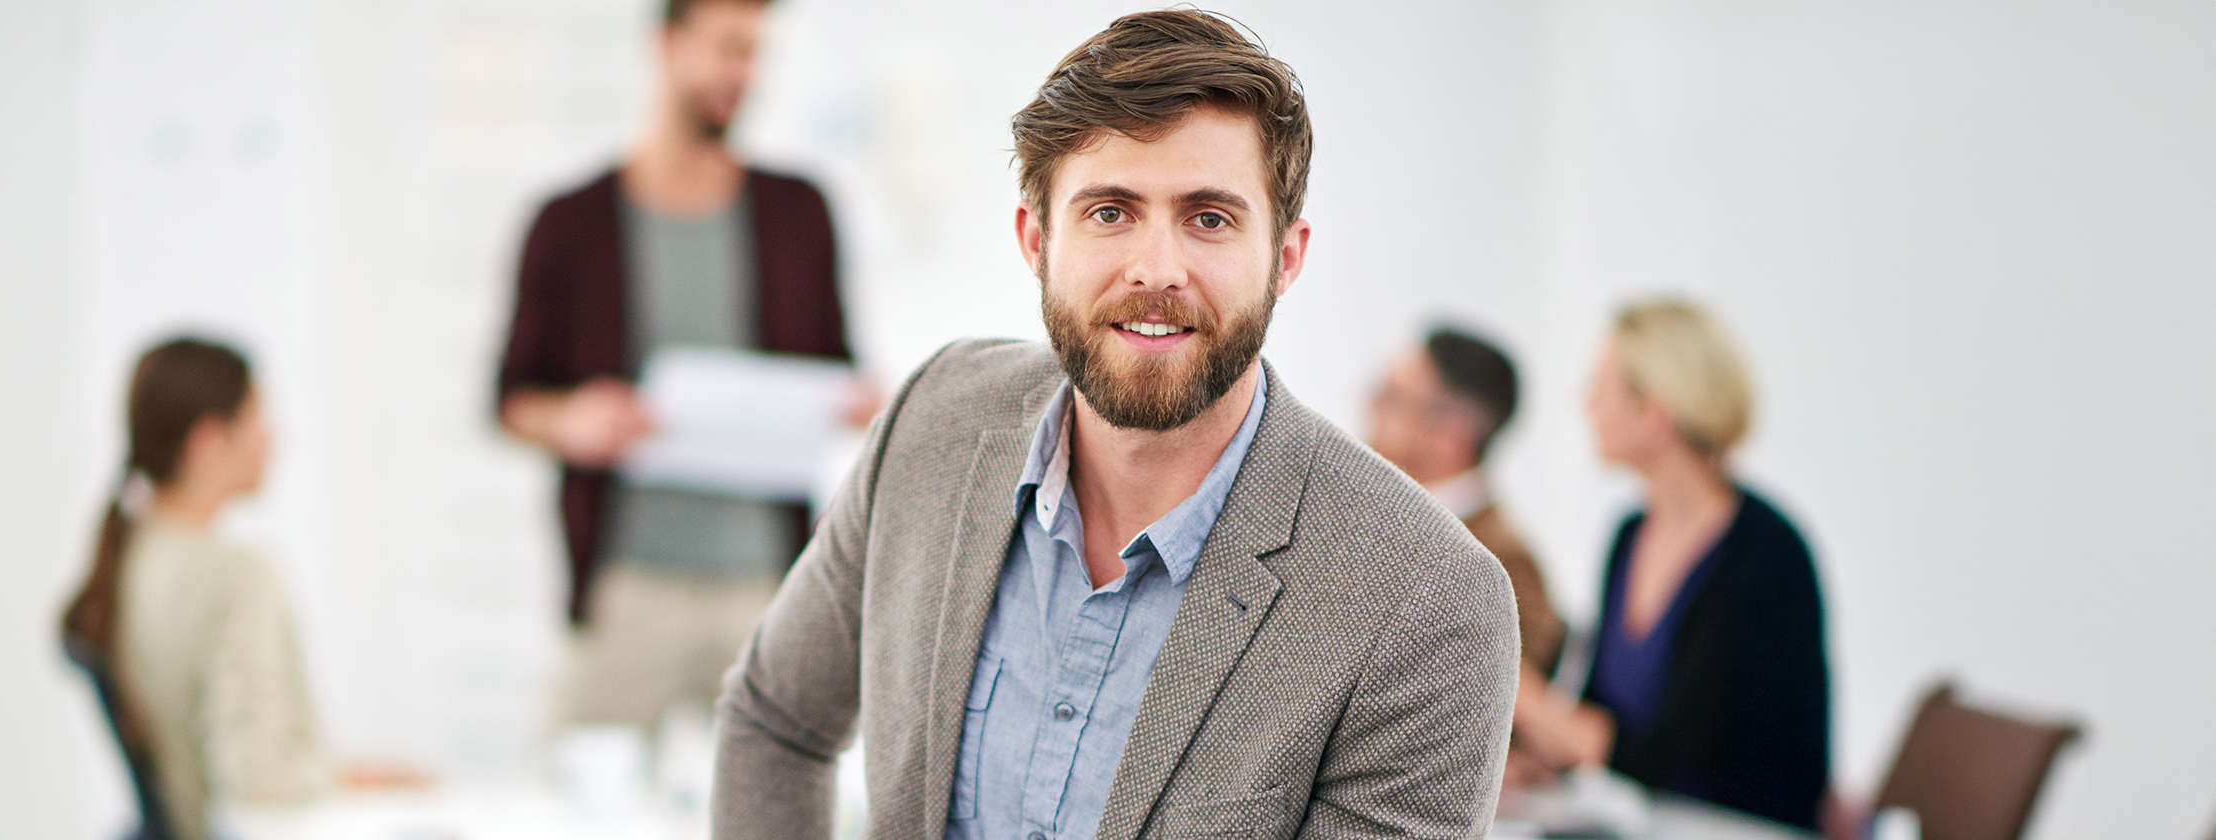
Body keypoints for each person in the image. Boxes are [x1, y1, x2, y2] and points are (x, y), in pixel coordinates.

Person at [711, 11, 1520, 840]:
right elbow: (774, 719)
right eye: (1110, 211)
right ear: (1036, 238)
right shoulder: (934, 420)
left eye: (1209, 218)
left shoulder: (1427, 599)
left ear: (1286, 256)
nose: (1155, 270)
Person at [490, 0, 860, 730]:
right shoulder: (569, 222)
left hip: (768, 584)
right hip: (628, 582)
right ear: (666, 46)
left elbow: (840, 368)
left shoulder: (799, 213)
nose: (742, 74)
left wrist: (855, 402)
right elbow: (509, 397)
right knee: (584, 790)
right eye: (727, 49)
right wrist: (571, 419)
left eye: (754, 53)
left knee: (778, 798)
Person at [1504, 297, 1831, 831]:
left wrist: (1526, 699)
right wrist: (1544, 762)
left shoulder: (1764, 557)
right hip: (1654, 823)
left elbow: (1669, 755)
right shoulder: (1630, 535)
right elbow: (1602, 710)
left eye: (1600, 388)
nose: (1586, 404)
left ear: (1653, 415)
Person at [60, 338, 407, 840]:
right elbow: (257, 779)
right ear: (208, 440)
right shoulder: (234, 577)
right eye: (257, 419)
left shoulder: (128, 560)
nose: (273, 439)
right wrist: (360, 779)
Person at [1364, 326, 1572, 685]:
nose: (1369, 406)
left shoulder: (1506, 565)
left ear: (1451, 436)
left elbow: (1496, 720)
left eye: (1391, 397)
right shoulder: (1364, 515)